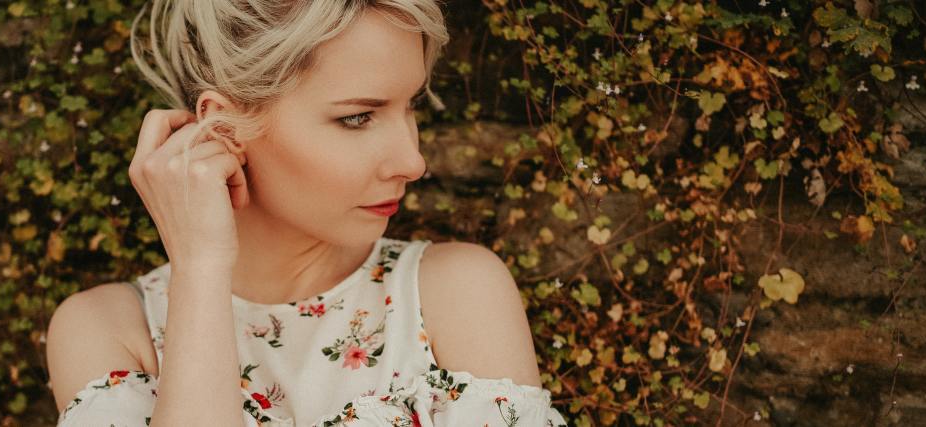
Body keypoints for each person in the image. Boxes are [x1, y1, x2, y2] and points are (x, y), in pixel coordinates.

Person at [46, 1, 568, 425]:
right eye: (358, 117)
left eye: (410, 106)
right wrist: (201, 265)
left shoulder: (452, 295)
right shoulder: (109, 331)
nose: (413, 162)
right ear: (224, 129)